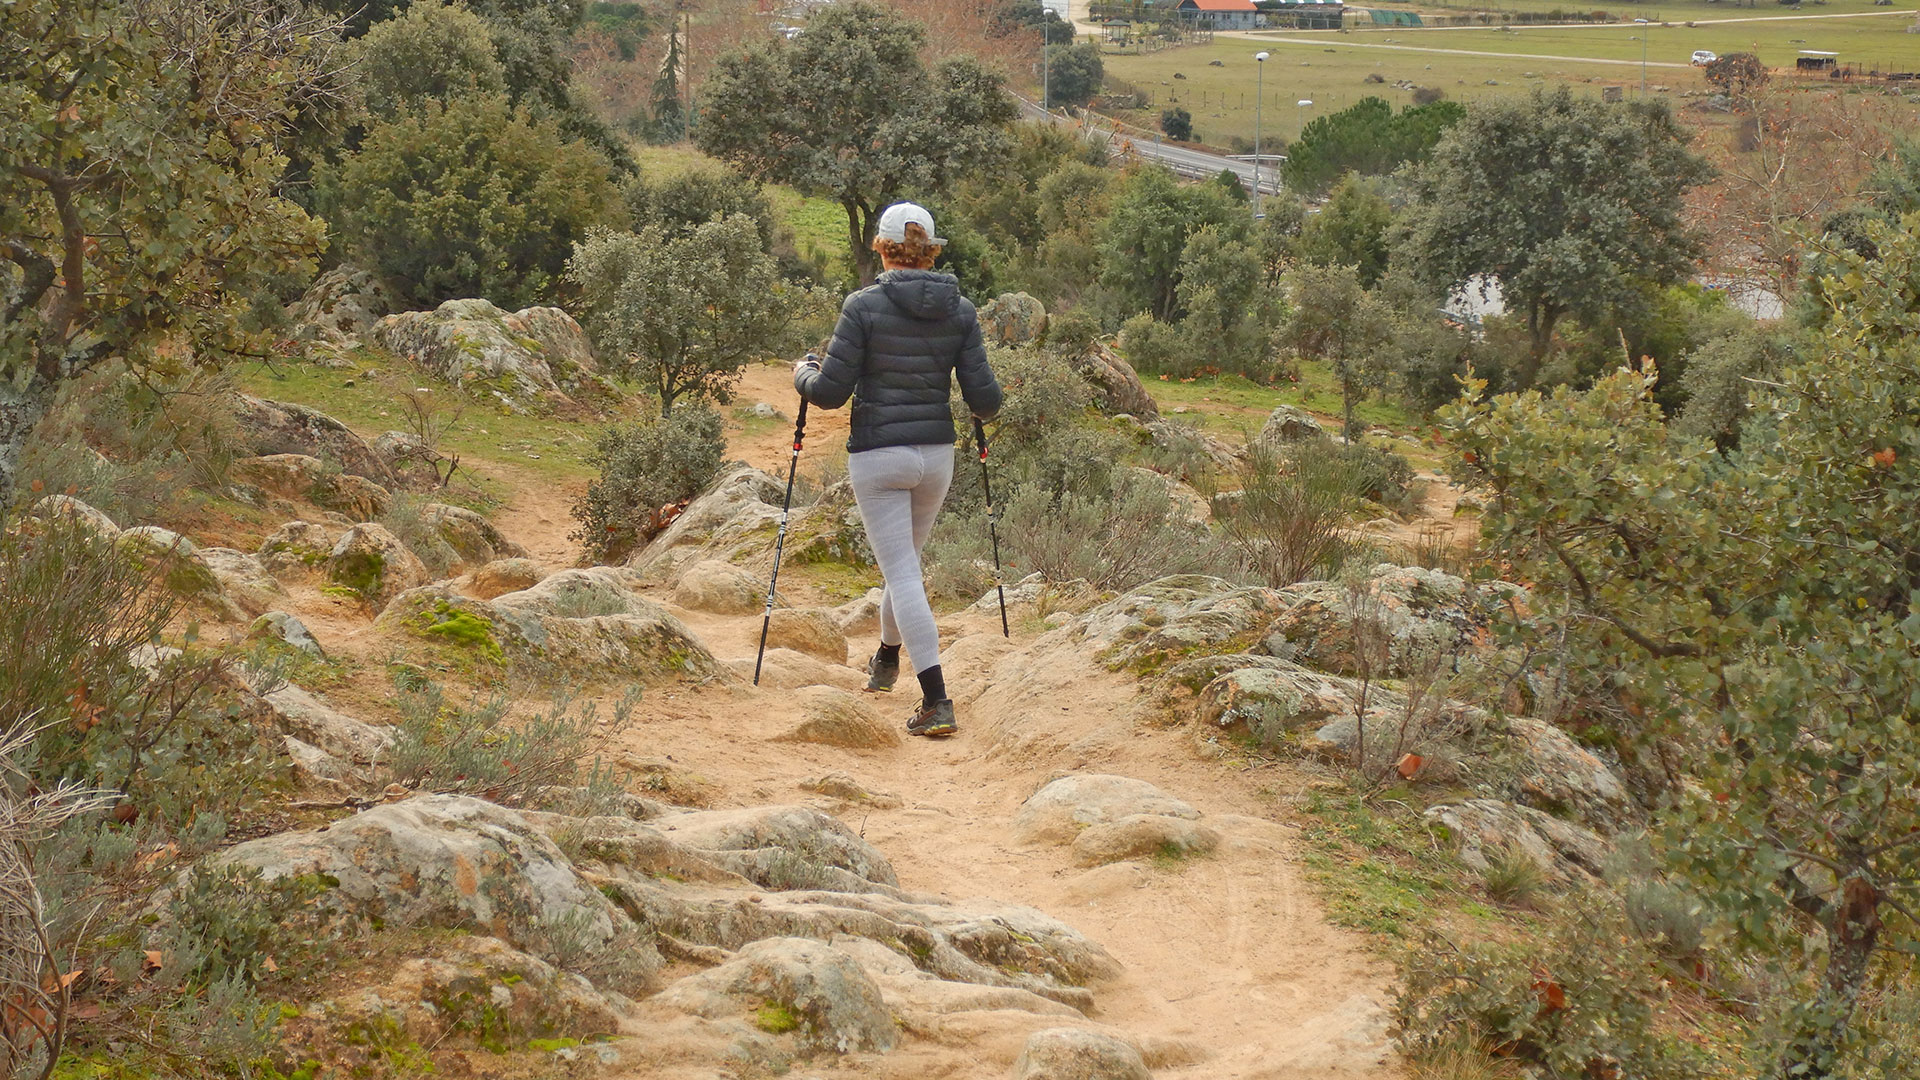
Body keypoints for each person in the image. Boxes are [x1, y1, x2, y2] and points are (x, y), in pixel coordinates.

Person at [795, 202, 1001, 738]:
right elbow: (986, 399)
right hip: (935, 455)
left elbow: (831, 393)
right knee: (903, 565)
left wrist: (803, 375)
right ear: (930, 251)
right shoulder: (961, 310)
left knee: (903, 573)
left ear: (882, 248)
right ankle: (886, 660)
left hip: (879, 456)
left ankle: (937, 701)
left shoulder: (862, 306)